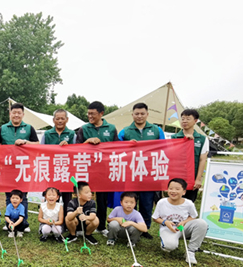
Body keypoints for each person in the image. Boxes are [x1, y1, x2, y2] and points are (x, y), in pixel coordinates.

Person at [118, 102, 165, 240]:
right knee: (130, 200)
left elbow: (164, 148)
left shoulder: (156, 130)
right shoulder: (125, 131)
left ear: (147, 114)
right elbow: (116, 149)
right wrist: (127, 145)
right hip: (131, 172)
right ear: (132, 115)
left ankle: (144, 228)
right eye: (136, 114)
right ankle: (127, 225)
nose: (139, 116)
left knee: (147, 202)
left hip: (149, 173)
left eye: (142, 114)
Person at [75, 101, 117, 238]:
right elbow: (76, 148)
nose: (90, 116)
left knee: (102, 199)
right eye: (88, 114)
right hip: (87, 169)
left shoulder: (111, 128)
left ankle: (101, 226)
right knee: (86, 197)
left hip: (105, 169)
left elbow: (117, 148)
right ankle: (84, 225)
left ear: (101, 114)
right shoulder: (83, 128)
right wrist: (87, 142)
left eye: (93, 114)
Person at [0, 103, 39, 231]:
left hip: (23, 168)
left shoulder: (29, 128)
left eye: (19, 113)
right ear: (10, 114)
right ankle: (9, 222)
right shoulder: (2, 129)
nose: (16, 115)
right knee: (9, 196)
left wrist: (25, 142)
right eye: (13, 112)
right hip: (7, 168)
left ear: (23, 114)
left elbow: (37, 144)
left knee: (22, 196)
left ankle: (23, 223)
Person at [152, 178, 208, 265]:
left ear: (184, 192)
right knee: (169, 247)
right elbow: (155, 218)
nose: (173, 191)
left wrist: (184, 222)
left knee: (202, 223)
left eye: (177, 189)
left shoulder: (189, 203)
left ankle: (190, 251)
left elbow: (193, 216)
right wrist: (165, 222)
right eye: (171, 188)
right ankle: (167, 241)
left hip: (183, 228)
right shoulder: (162, 202)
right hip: (168, 229)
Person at [40, 109, 76, 213]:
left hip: (66, 170)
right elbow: (41, 151)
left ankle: (66, 220)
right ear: (53, 120)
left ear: (67, 119)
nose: (60, 121)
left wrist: (68, 147)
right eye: (57, 118)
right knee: (51, 196)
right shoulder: (47, 134)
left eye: (62, 118)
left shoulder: (72, 134)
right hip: (51, 171)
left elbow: (77, 152)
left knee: (67, 198)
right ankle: (51, 220)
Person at [171, 109, 209, 202]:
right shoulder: (173, 138)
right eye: (183, 118)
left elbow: (202, 160)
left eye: (188, 119)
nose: (184, 121)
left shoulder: (202, 139)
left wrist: (198, 179)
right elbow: (170, 157)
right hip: (176, 177)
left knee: (189, 203)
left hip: (192, 178)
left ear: (195, 121)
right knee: (174, 203)